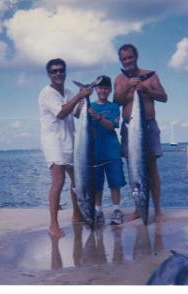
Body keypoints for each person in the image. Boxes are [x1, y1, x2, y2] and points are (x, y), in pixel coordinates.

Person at [113, 44, 168, 223]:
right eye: (124, 59)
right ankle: (139, 209)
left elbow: (163, 97)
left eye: (130, 57)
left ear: (136, 56)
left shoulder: (150, 75)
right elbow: (116, 102)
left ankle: (158, 211)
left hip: (148, 127)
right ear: (121, 61)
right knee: (133, 169)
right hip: (130, 128)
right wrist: (129, 86)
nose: (127, 61)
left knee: (152, 169)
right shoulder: (120, 80)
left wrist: (145, 89)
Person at [38, 58, 92, 237]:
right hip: (54, 142)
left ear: (65, 72)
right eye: (53, 71)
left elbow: (74, 113)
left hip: (71, 140)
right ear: (48, 74)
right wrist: (79, 96)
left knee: (77, 181)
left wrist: (84, 102)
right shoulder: (46, 93)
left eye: (61, 70)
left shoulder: (68, 92)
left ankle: (77, 214)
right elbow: (61, 113)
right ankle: (53, 225)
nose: (58, 73)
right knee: (58, 181)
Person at [75, 75, 126, 226]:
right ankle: (98, 210)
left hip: (112, 152)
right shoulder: (90, 105)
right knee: (97, 185)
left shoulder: (114, 107)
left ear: (109, 90)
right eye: (100, 88)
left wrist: (98, 117)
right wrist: (81, 97)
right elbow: (77, 114)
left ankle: (116, 210)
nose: (102, 91)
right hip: (93, 153)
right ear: (95, 89)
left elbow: (112, 126)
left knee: (115, 183)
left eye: (105, 88)